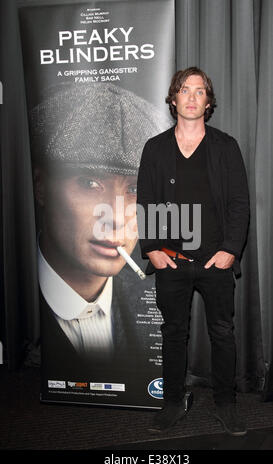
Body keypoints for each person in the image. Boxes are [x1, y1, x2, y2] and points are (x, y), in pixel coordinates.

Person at [30, 82, 171, 385]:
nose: (116, 218)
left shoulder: (159, 299)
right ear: (40, 186)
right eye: (89, 183)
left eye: (135, 189)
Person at [137, 67, 250, 434]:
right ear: (173, 98)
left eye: (199, 91)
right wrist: (153, 249)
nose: (191, 97)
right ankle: (171, 403)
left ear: (208, 101)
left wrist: (231, 250)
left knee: (222, 332)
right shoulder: (155, 148)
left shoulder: (225, 146)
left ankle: (226, 404)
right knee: (173, 333)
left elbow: (239, 203)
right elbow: (147, 200)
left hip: (216, 260)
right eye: (184, 90)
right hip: (172, 262)